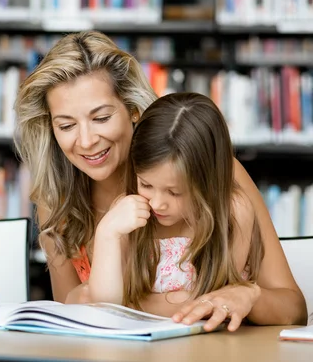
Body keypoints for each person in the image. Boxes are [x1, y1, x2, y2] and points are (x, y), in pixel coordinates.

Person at [14, 30, 307, 331]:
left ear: (133, 110)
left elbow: (293, 308)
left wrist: (247, 297)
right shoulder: (58, 204)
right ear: (49, 128)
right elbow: (70, 318)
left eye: (101, 118)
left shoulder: (215, 175)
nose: (86, 141)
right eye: (66, 125)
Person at [89, 92, 263, 333]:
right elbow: (105, 308)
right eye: (146, 185)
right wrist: (106, 234)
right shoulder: (128, 211)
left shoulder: (233, 212)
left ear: (208, 183)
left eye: (174, 192)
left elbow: (209, 305)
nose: (158, 203)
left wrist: (136, 304)